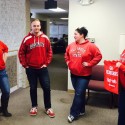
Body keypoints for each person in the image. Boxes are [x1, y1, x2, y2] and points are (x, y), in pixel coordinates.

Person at [18, 19, 55, 118]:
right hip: (31, 69)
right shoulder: (26, 39)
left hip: (42, 68)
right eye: (34, 26)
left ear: (40, 26)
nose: (36, 28)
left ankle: (48, 107)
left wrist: (46, 63)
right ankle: (34, 106)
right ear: (31, 27)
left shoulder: (45, 38)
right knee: (33, 88)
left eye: (38, 26)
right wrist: (25, 65)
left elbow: (49, 52)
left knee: (46, 88)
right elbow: (21, 53)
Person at [65, 27, 102, 123]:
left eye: (75, 34)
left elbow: (98, 56)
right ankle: (82, 110)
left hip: (84, 75)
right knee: (80, 93)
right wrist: (68, 63)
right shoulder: (71, 45)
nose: (74, 35)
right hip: (73, 73)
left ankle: (73, 114)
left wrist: (90, 64)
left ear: (82, 35)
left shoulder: (90, 46)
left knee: (78, 94)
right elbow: (66, 55)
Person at [0, 40, 12, 117]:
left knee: (6, 91)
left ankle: (4, 109)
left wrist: (4, 61)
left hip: (2, 71)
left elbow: (6, 49)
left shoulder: (0, 43)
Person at [116, 50, 125, 125]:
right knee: (121, 110)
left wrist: (121, 66)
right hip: (122, 86)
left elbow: (122, 65)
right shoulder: (124, 51)